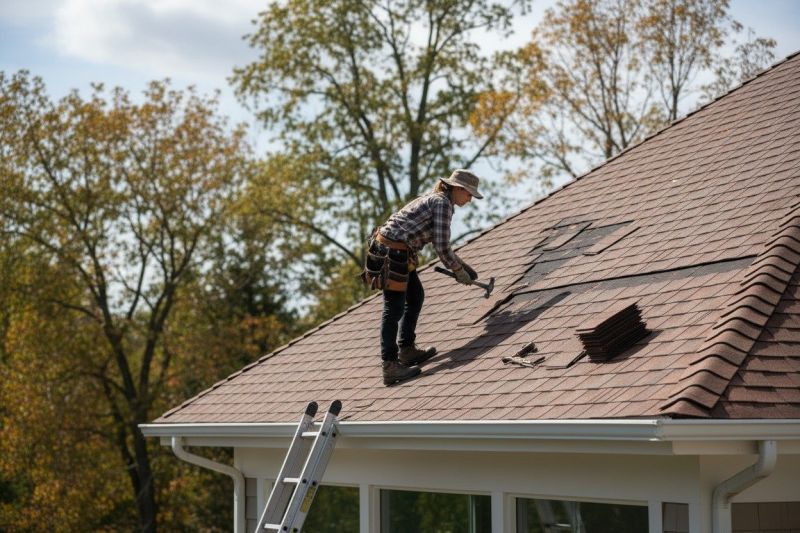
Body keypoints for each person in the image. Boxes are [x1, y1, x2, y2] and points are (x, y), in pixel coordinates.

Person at [363, 169, 483, 385]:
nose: (470, 199)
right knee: (393, 308)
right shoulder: (443, 204)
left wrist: (463, 266)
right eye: (469, 194)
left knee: (415, 296)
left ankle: (407, 350)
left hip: (394, 250)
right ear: (458, 189)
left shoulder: (436, 199)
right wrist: (458, 270)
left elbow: (441, 245)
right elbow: (442, 247)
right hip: (393, 252)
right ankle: (389, 366)